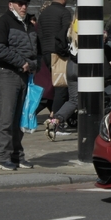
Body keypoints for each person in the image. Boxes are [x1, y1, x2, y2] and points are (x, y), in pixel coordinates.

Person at [0, 0, 39, 170]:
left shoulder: (29, 25)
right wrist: (22, 63)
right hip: (8, 74)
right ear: (11, 5)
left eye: (25, 3)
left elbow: (35, 50)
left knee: (20, 118)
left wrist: (32, 65)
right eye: (20, 4)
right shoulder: (3, 22)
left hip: (25, 76)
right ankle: (3, 157)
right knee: (7, 118)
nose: (24, 6)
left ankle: (17, 155)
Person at [44, 10, 79, 140]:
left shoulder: (69, 28)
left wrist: (66, 53)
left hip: (70, 66)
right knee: (90, 98)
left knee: (74, 100)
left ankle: (56, 120)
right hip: (83, 67)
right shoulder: (88, 27)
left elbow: (58, 44)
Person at [37, 0, 71, 115]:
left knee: (55, 85)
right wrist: (64, 51)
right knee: (62, 87)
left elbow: (39, 34)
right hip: (59, 54)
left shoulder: (43, 14)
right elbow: (65, 33)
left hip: (46, 52)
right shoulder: (64, 12)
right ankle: (56, 119)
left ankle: (54, 113)